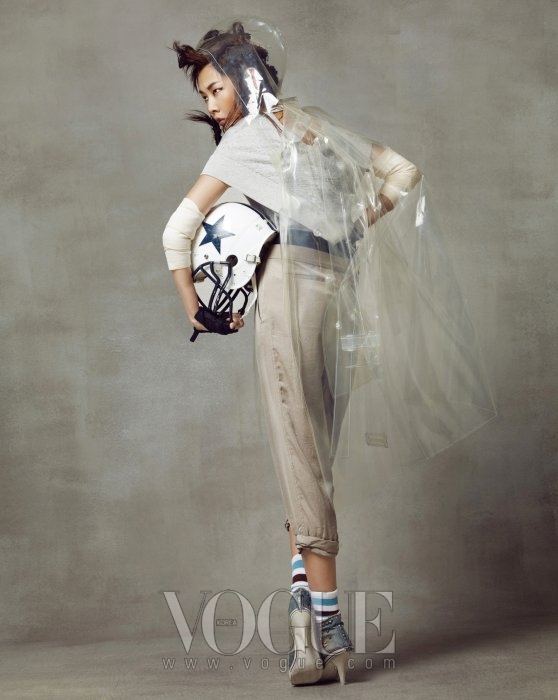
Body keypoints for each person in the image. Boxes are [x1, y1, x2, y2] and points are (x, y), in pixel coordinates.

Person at [162, 18, 496, 685]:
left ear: (244, 78)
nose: (213, 106)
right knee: (312, 463)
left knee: (302, 459)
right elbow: (403, 172)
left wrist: (194, 306)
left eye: (216, 88)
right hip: (342, 297)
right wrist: (354, 220)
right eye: (205, 95)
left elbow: (177, 230)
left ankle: (326, 628)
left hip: (289, 292)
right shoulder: (315, 126)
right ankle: (307, 629)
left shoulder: (247, 139)